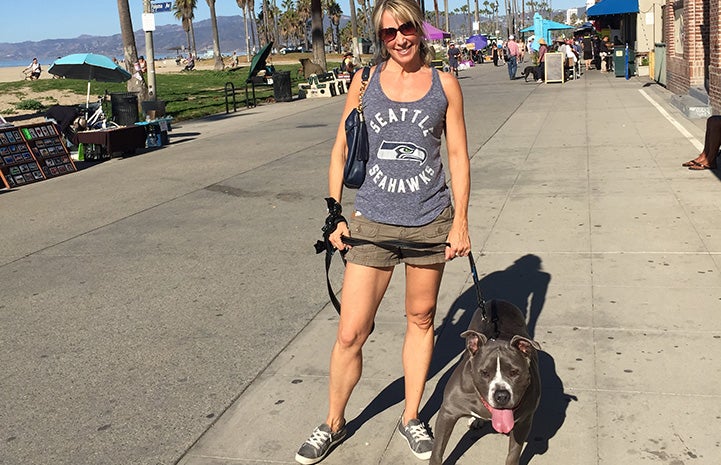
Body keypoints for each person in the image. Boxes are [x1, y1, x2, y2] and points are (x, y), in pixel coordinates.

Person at [294, 0, 471, 462]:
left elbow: (457, 157)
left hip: (429, 222)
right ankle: (333, 422)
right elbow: (340, 149)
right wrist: (334, 214)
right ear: (380, 38)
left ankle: (411, 416)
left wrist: (462, 223)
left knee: (421, 320)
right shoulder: (365, 81)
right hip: (371, 222)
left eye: (406, 28)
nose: (399, 39)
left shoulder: (444, 85)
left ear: (420, 28)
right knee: (351, 331)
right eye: (388, 33)